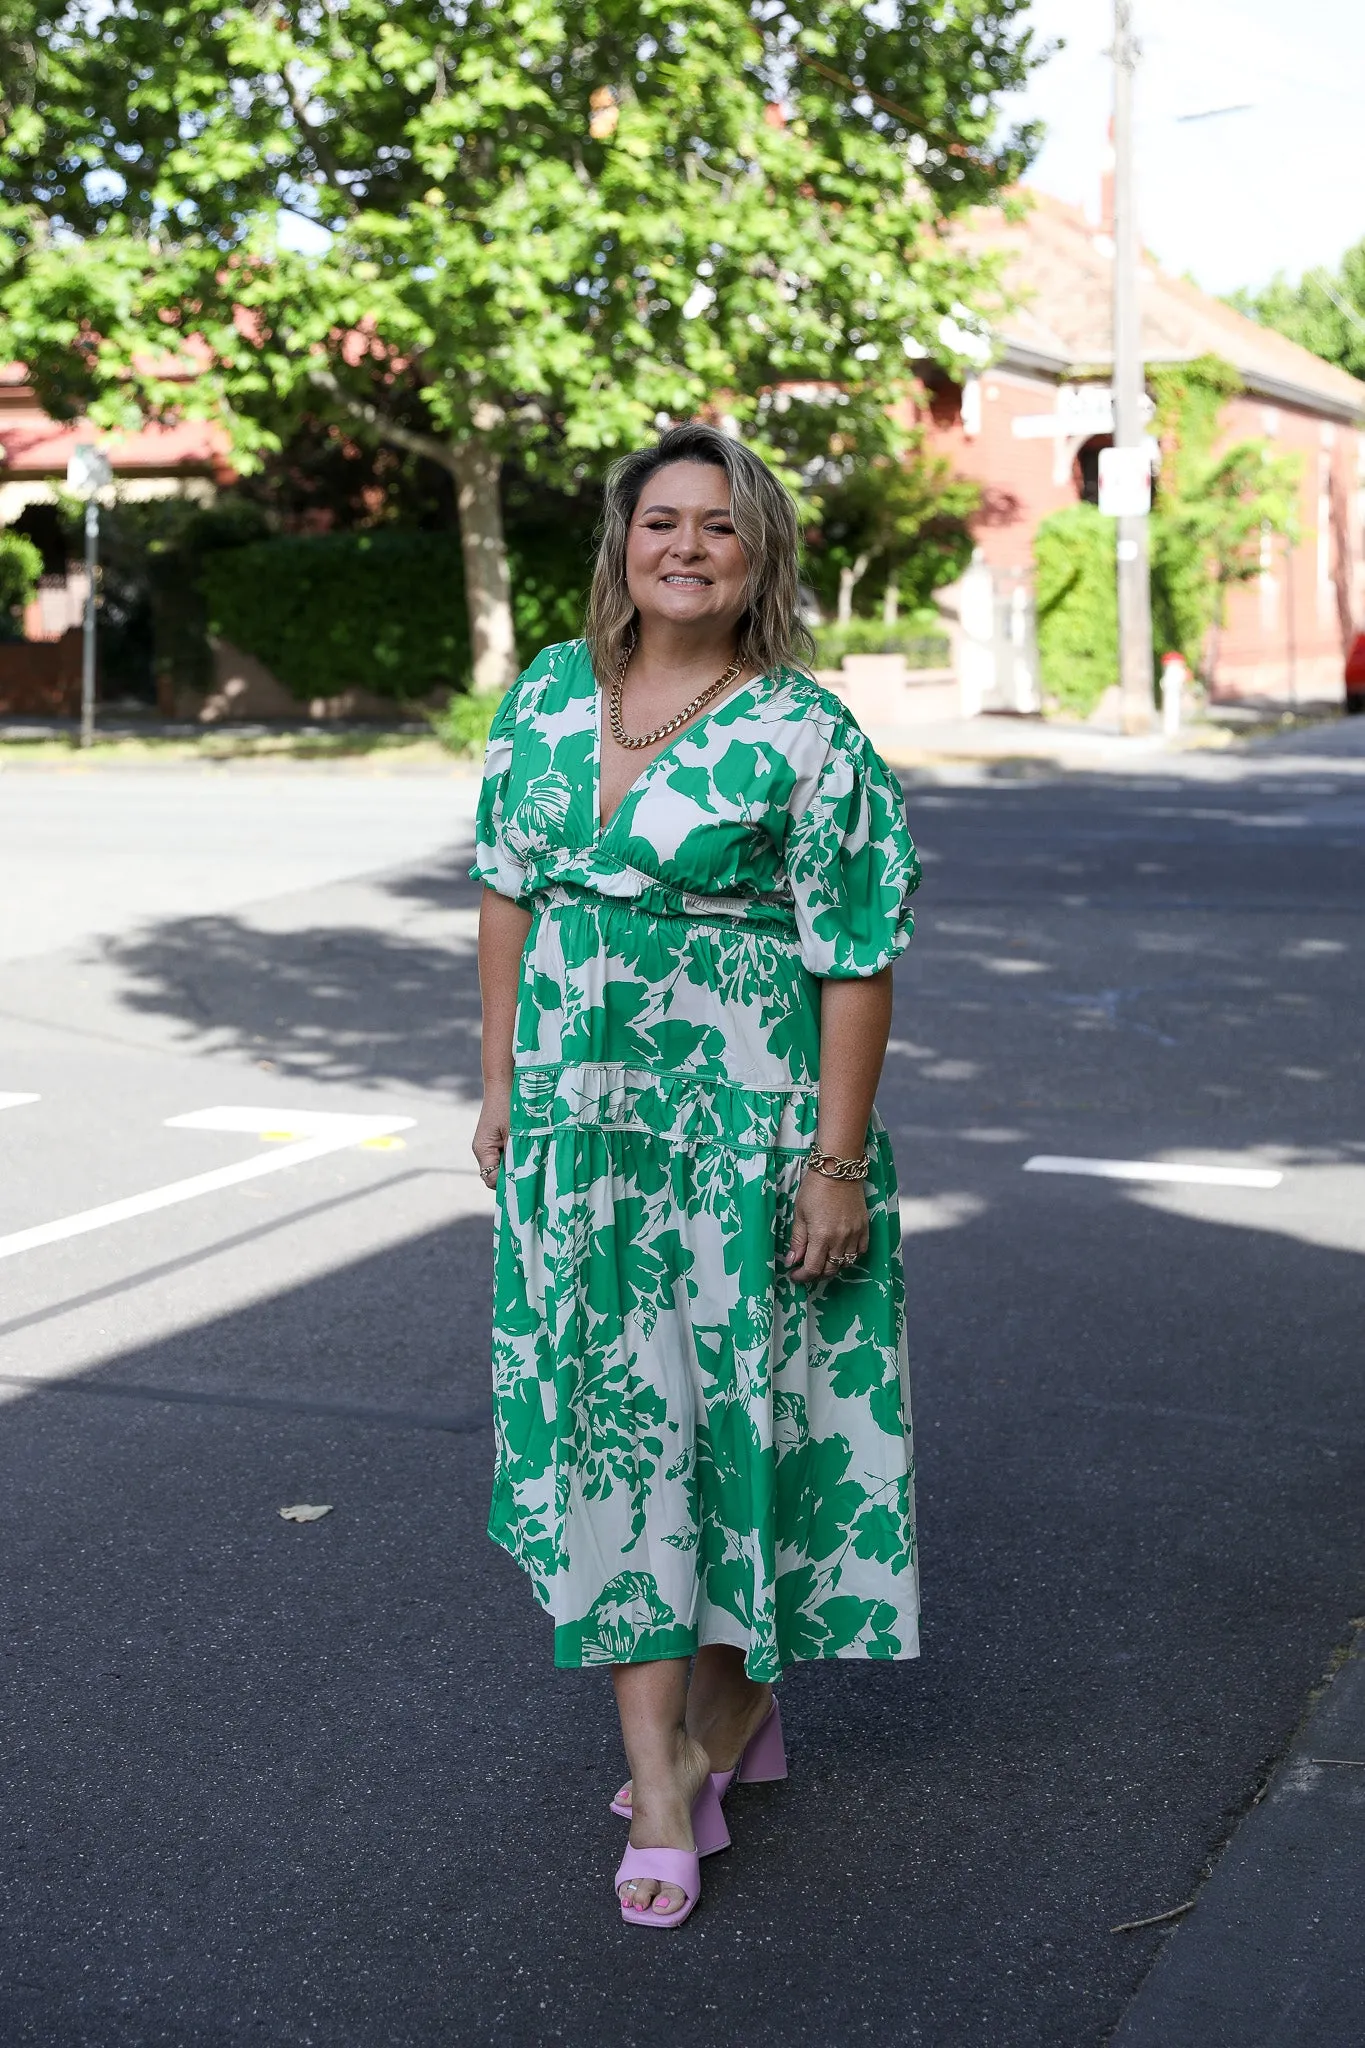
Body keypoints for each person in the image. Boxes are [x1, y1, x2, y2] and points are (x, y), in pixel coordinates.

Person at [471, 422, 921, 1929]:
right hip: (579, 1150)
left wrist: (835, 1164)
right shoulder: (546, 695)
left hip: (741, 1143)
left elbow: (853, 960)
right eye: (659, 520)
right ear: (621, 543)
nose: (685, 546)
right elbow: (504, 892)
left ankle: (703, 1743)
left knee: (729, 1434)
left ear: (759, 557)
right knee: (617, 1437)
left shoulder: (807, 734)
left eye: (718, 528)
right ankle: (682, 1751)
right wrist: (499, 1086)